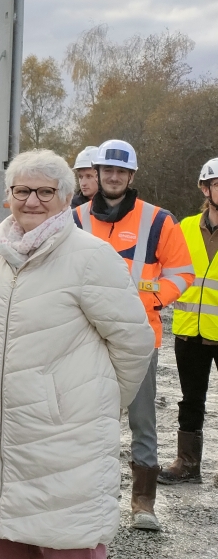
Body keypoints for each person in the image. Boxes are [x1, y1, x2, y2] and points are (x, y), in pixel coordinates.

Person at [0, 149, 154, 559]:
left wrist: (94, 403)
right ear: (7, 196)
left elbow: (134, 344)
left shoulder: (91, 256)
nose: (32, 200)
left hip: (66, 443)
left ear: (67, 197)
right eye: (21, 190)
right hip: (4, 439)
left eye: (45, 191)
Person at [73, 139, 193, 531]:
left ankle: (143, 502)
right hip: (85, 337)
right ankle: (86, 496)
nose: (113, 177)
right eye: (107, 170)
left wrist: (154, 301)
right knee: (84, 417)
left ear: (131, 176)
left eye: (121, 171)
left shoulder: (158, 220)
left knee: (142, 420)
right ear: (97, 172)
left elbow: (182, 272)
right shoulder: (75, 218)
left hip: (140, 336)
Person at [160, 157, 218, 487]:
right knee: (190, 400)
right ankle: (187, 463)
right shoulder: (183, 228)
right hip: (188, 331)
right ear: (205, 188)